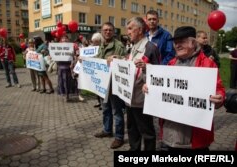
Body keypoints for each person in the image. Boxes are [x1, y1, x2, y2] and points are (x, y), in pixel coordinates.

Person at [142, 26, 225, 150]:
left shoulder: (207, 64)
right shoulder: (171, 64)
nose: (177, 45)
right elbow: (161, 88)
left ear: (193, 42)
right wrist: (149, 88)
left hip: (193, 137)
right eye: (175, 43)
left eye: (181, 42)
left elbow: (219, 89)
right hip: (170, 133)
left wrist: (219, 98)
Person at [125, 17, 160, 151]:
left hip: (142, 98)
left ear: (139, 30)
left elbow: (158, 73)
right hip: (130, 96)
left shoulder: (150, 48)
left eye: (130, 29)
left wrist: (147, 66)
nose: (128, 32)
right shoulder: (133, 46)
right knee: (132, 128)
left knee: (146, 131)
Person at [94, 22, 126, 149]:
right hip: (103, 84)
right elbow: (97, 61)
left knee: (117, 112)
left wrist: (116, 58)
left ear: (114, 32)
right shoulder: (101, 45)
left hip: (114, 84)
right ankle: (107, 130)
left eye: (110, 30)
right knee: (105, 109)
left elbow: (124, 62)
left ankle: (119, 137)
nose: (107, 32)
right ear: (102, 31)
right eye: (105, 30)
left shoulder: (118, 45)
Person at [56, 35, 72, 102]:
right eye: (63, 38)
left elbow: (73, 56)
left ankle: (67, 95)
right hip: (60, 66)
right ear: (61, 40)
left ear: (68, 40)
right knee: (61, 81)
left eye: (66, 38)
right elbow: (55, 55)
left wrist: (72, 63)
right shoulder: (57, 47)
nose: (64, 40)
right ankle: (63, 94)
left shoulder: (71, 47)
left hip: (67, 67)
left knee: (67, 82)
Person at [91, 32, 104, 110]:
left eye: (96, 41)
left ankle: (102, 104)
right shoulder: (92, 48)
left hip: (101, 72)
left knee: (101, 89)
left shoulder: (102, 48)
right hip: (95, 71)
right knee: (96, 88)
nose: (95, 43)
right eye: (94, 42)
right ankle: (99, 102)